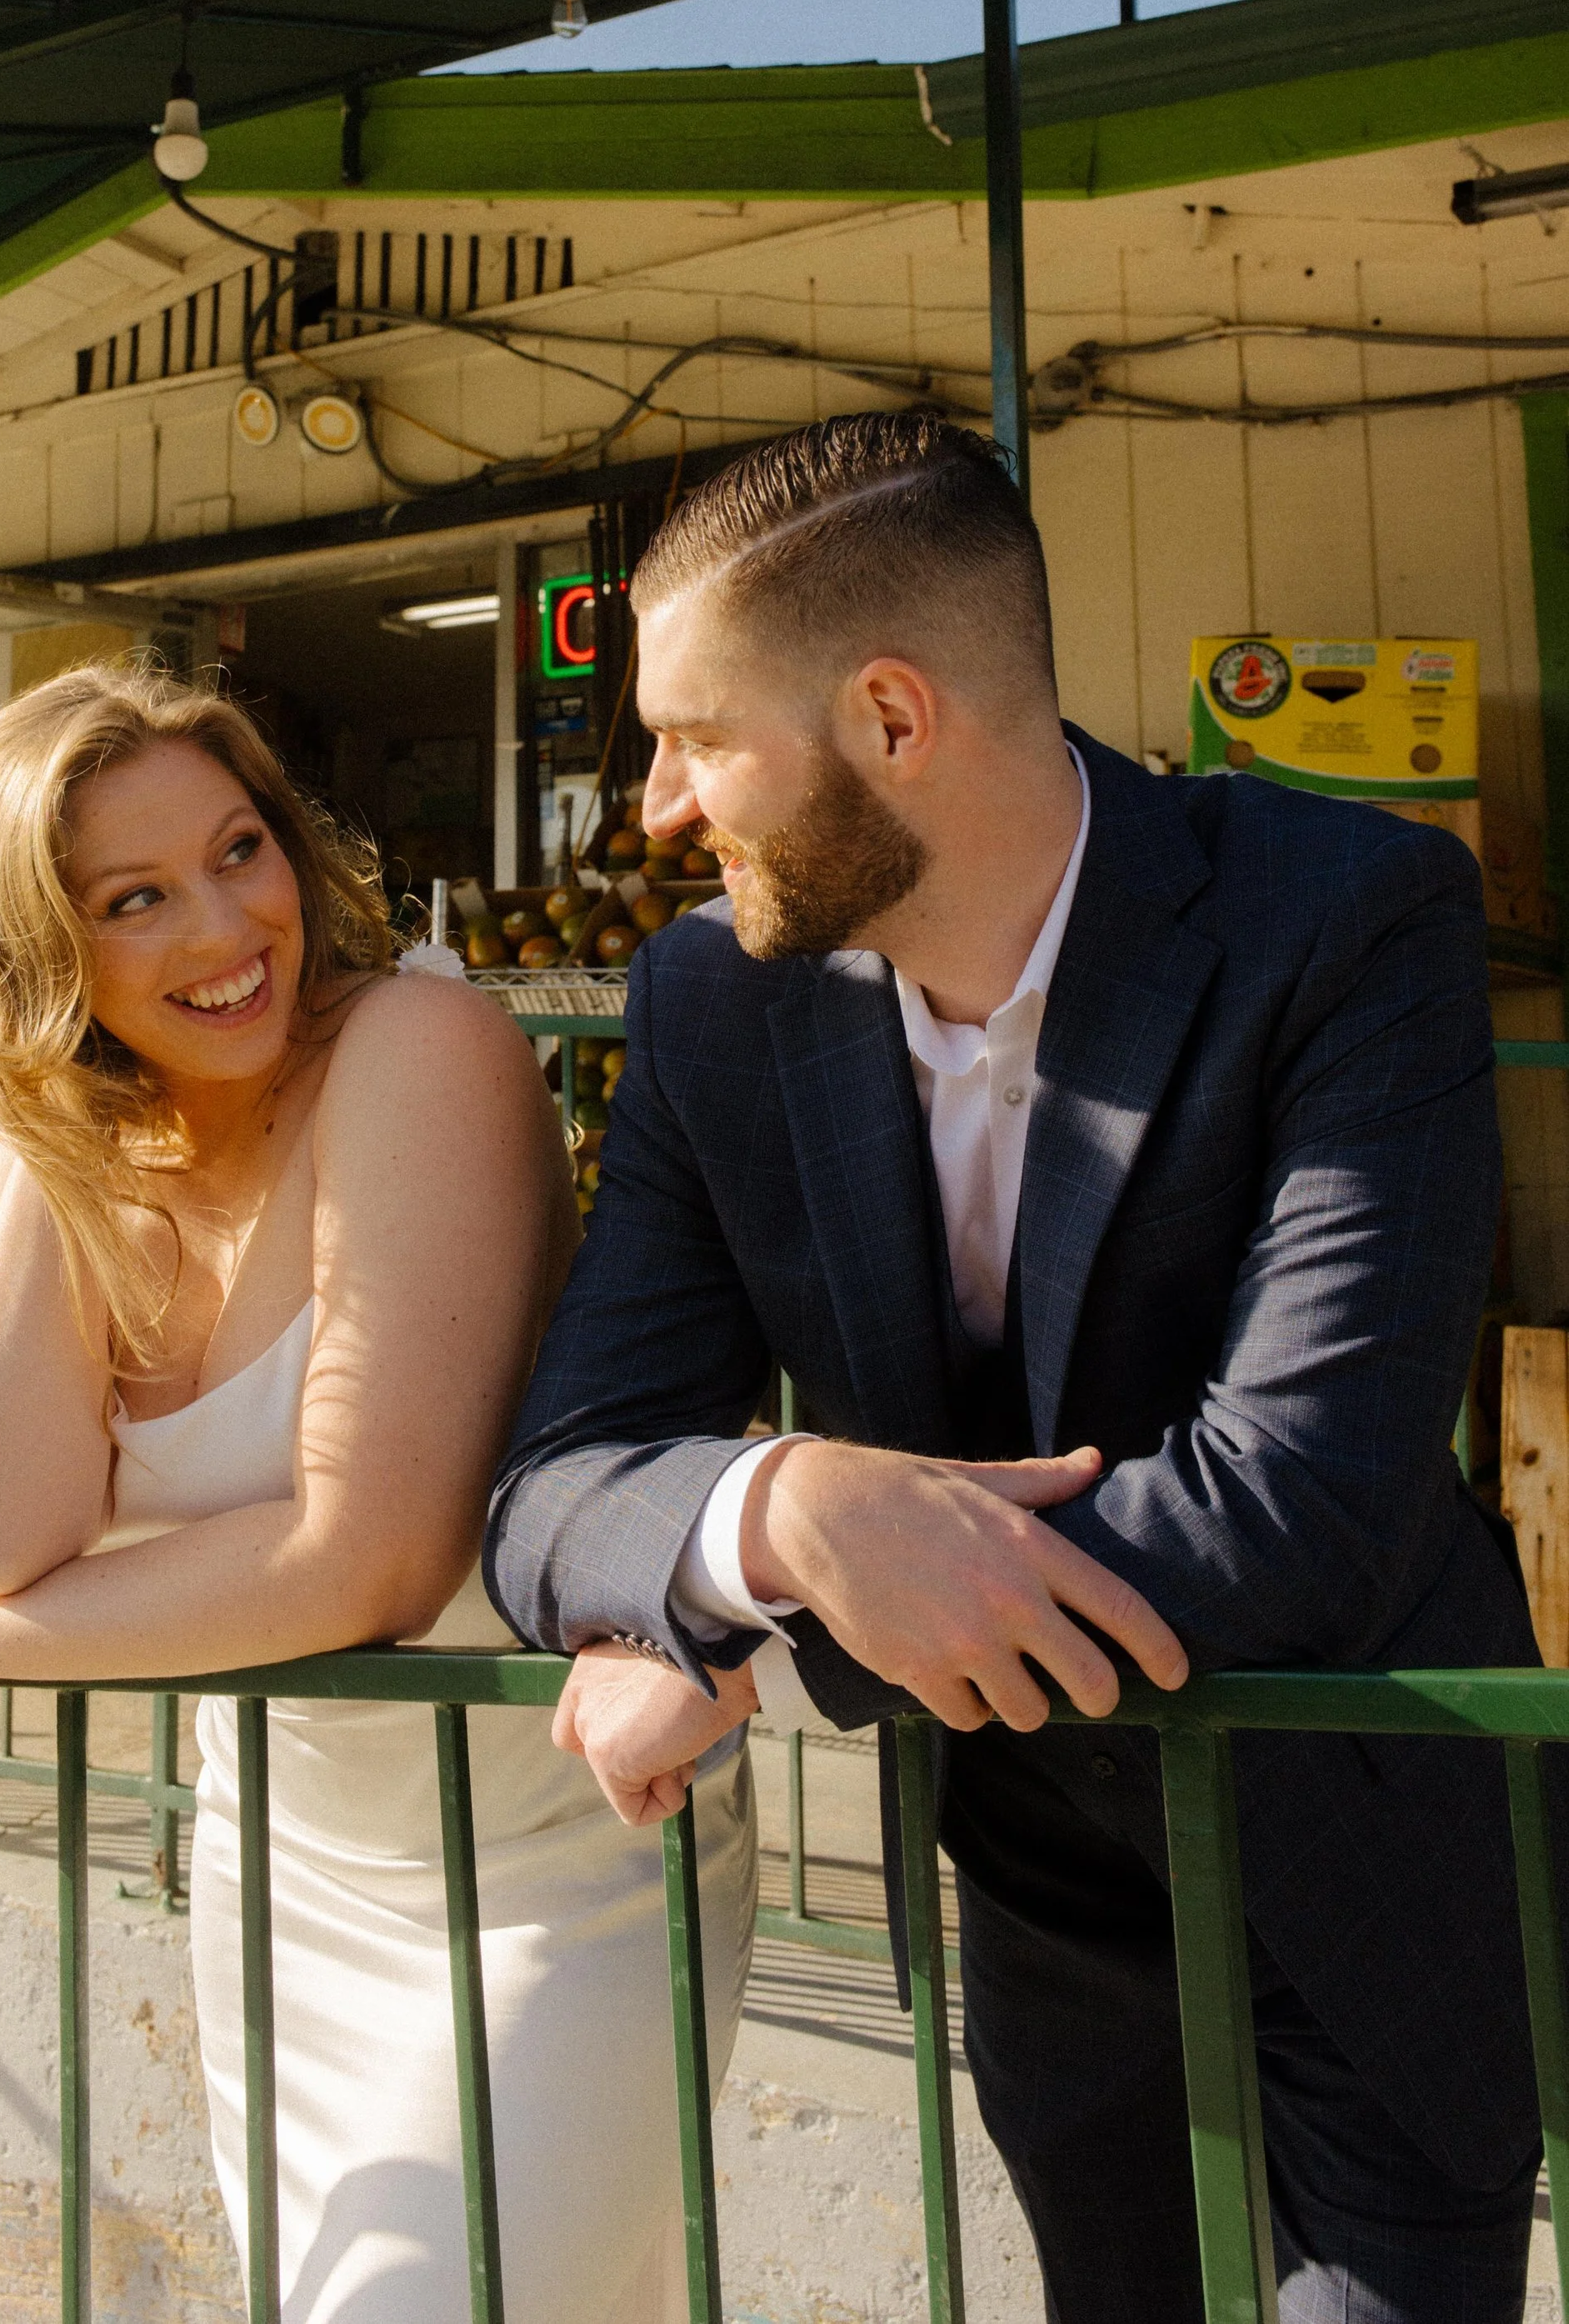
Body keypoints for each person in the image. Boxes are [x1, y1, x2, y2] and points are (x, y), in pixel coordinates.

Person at [487, 409, 1550, 2324]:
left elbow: (1297, 1501)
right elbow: (562, 1476)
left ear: (892, 719)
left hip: (1356, 1863)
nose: (652, 809)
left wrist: (800, 1627)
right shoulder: (706, 998)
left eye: (698, 737)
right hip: (1044, 1905)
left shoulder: (1347, 915)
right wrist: (786, 1512)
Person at [0, 664, 754, 2324]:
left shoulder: (413, 1044)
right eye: (135, 901)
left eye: (238, 851)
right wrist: (35, 1128)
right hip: (289, 1877)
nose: (225, 927)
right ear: (47, 959)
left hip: (553, 1858)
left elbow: (377, 1554)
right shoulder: (86, 1162)